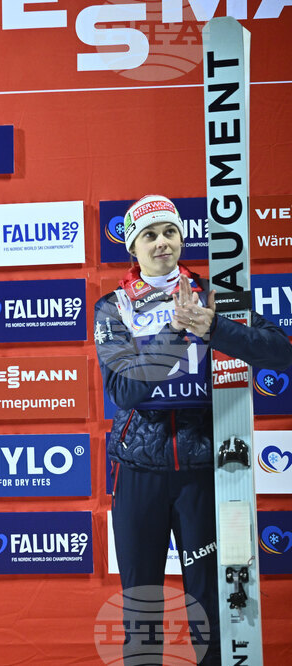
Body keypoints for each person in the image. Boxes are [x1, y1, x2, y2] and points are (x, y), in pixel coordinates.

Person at [94, 195, 292, 665]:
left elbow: (279, 352)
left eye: (170, 232)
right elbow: (123, 392)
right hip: (139, 471)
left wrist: (216, 328)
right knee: (140, 602)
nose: (162, 242)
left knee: (209, 601)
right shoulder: (112, 305)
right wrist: (177, 333)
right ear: (131, 246)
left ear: (183, 238)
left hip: (202, 469)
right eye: (149, 235)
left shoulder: (214, 294)